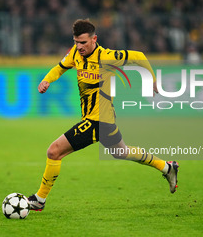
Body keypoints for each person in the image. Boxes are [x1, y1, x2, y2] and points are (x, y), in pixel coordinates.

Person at [28, 19, 179, 211]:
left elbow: (139, 56)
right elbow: (60, 67)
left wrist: (151, 80)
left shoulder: (107, 57)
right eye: (76, 42)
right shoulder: (75, 53)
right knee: (121, 152)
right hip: (102, 120)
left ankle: (39, 199)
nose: (79, 47)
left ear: (94, 39)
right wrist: (46, 80)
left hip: (98, 120)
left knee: (54, 151)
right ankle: (167, 167)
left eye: (83, 42)